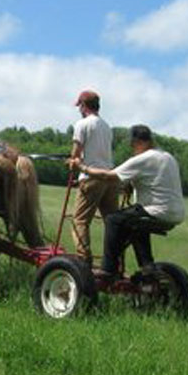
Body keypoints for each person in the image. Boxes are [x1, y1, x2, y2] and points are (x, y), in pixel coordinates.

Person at [72, 124, 186, 280]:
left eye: (132, 145)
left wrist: (82, 167)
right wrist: (130, 186)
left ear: (138, 142)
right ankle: (148, 267)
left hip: (157, 210)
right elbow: (153, 180)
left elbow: (108, 176)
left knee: (113, 220)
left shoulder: (143, 158)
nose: (132, 148)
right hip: (176, 213)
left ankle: (108, 269)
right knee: (136, 224)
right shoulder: (168, 157)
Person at [67, 89, 118, 263]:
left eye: (79, 106)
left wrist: (72, 163)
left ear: (83, 105)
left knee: (79, 221)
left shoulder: (82, 124)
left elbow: (76, 153)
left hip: (91, 178)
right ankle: (113, 262)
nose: (79, 110)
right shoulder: (106, 126)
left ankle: (84, 261)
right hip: (110, 179)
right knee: (111, 222)